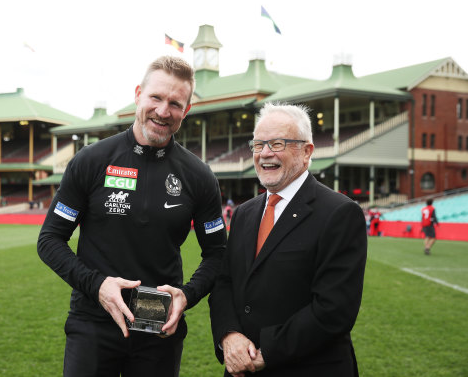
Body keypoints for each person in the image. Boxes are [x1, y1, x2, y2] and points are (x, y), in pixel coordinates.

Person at [37, 56, 227, 377]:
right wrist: (97, 285)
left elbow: (218, 253)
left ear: (187, 110)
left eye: (175, 103)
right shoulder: (91, 161)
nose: (163, 111)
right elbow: (49, 239)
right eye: (156, 98)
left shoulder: (199, 176)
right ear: (138, 94)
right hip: (94, 317)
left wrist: (188, 294)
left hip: (158, 321)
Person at [209, 102, 367, 376]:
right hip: (241, 369)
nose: (265, 153)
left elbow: (334, 310)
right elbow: (225, 283)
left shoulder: (339, 213)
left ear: (306, 152)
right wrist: (229, 335)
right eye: (258, 145)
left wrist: (267, 352)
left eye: (277, 144)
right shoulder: (245, 213)